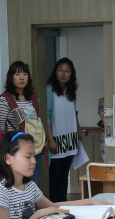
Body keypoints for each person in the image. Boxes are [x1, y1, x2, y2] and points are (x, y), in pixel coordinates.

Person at [0, 130, 111, 219]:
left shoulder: (29, 186)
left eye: (34, 156)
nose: (33, 161)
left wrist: (89, 201)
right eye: (28, 156)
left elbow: (54, 206)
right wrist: (37, 216)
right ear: (8, 159)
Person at [0, 61, 43, 185]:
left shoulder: (33, 97)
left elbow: (37, 122)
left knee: (34, 184)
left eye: (25, 74)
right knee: (18, 185)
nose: (22, 77)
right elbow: (1, 128)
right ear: (11, 77)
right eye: (17, 74)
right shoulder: (5, 99)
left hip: (34, 148)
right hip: (16, 151)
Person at [46, 57, 83, 202]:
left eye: (67, 71)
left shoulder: (71, 90)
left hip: (70, 137)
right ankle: (54, 205)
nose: (63, 74)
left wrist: (79, 130)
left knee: (64, 175)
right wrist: (51, 140)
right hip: (56, 138)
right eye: (60, 70)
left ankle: (63, 204)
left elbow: (73, 112)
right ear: (55, 72)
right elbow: (47, 116)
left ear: (71, 74)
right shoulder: (49, 89)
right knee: (54, 176)